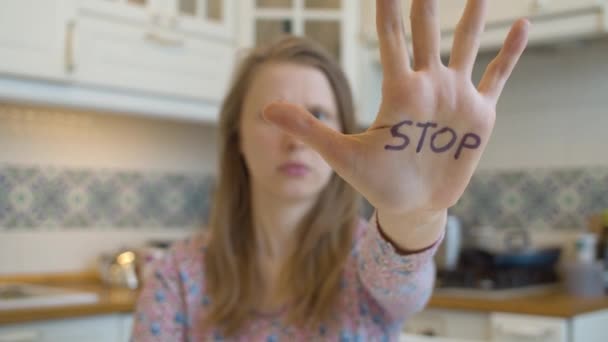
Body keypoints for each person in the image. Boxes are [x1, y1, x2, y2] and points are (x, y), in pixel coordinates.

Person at [132, 0, 529, 340]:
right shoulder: (176, 278)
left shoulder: (366, 259)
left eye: (317, 116)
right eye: (274, 117)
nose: (295, 140)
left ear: (343, 132)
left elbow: (406, 283)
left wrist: (415, 214)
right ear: (236, 136)